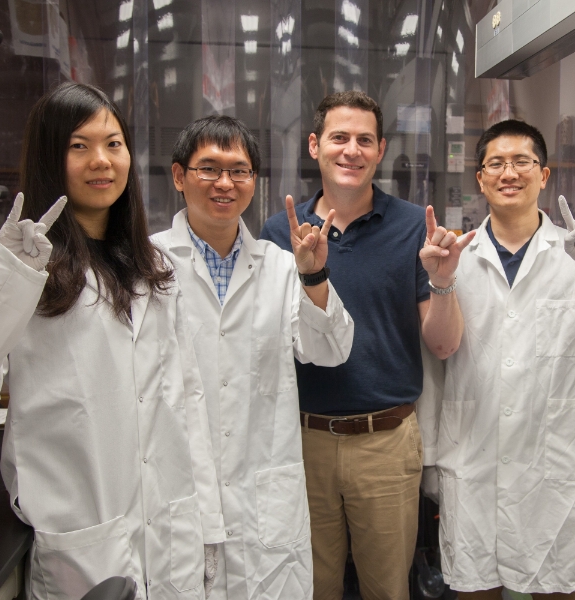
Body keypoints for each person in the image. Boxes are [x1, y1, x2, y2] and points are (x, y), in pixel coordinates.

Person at [0, 82, 224, 599]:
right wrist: (8, 273)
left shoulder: (155, 269)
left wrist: (206, 526)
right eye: (78, 146)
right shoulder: (21, 269)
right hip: (83, 543)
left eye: (113, 143)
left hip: (170, 541)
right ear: (48, 157)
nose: (101, 161)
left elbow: (186, 406)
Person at [418, 119, 575, 598]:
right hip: (475, 460)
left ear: (544, 175)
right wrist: (442, 282)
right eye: (496, 163)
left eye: (522, 162)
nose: (509, 172)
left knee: (561, 588)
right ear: (480, 178)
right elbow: (439, 353)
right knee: (475, 588)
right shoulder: (453, 257)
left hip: (555, 472)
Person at [260, 91, 461, 600]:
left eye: (364, 140)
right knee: (309, 587)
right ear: (314, 145)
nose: (351, 150)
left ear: (380, 150)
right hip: (302, 442)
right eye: (339, 137)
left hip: (385, 442)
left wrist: (441, 281)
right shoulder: (280, 233)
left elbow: (442, 345)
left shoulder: (415, 226)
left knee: (387, 589)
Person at [151, 115, 354, 600]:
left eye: (239, 171)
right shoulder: (146, 262)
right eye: (209, 169)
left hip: (264, 494)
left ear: (253, 182)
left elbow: (330, 349)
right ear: (179, 177)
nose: (225, 183)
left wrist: (313, 276)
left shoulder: (282, 265)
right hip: (178, 492)